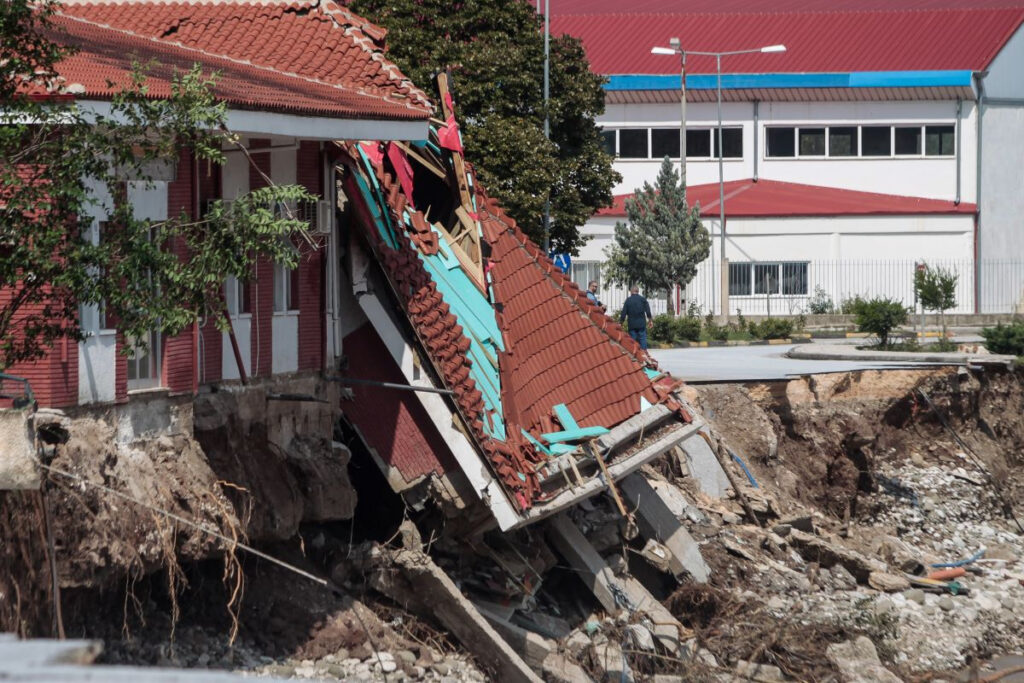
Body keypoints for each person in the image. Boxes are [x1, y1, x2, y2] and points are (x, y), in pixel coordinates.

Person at [620, 285, 653, 350]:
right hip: (641, 324)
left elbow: (623, 313)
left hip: (632, 325)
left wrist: (621, 322)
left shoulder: (628, 300)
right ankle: (644, 355)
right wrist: (650, 320)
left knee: (632, 341)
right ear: (638, 291)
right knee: (643, 340)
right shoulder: (643, 299)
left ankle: (634, 356)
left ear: (631, 291)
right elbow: (648, 311)